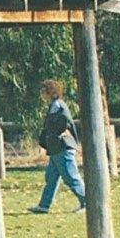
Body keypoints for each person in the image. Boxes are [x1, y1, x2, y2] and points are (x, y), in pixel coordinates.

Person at [33, 78, 86, 214]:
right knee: (51, 178)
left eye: (44, 90)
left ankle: (87, 203)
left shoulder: (58, 105)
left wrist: (58, 134)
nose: (42, 93)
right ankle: (44, 205)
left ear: (50, 92)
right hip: (56, 149)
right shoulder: (53, 106)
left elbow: (63, 122)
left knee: (71, 177)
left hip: (63, 148)